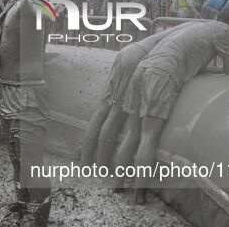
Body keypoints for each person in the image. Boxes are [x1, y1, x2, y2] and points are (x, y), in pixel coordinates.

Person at [113, 16, 229, 204]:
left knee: (132, 134)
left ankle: (117, 185)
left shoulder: (206, 27)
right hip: (163, 73)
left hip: (143, 68)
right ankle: (139, 195)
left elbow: (196, 64)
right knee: (149, 137)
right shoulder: (227, 31)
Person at [0, 0, 52, 227]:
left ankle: (40, 222)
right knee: (14, 153)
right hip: (10, 88)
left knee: (30, 159)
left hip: (26, 91)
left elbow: (40, 45)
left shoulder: (35, 0)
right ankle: (22, 198)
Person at [80, 22, 196, 167]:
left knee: (102, 111)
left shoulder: (192, 26)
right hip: (139, 58)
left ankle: (85, 162)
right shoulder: (206, 31)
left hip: (131, 51)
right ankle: (101, 166)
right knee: (115, 115)